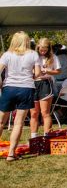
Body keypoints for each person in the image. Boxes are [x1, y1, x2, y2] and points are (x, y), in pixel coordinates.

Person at [0, 32, 41, 161]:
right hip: (26, 88)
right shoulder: (33, 54)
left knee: (1, 122)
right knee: (19, 122)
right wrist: (31, 77)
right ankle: (11, 154)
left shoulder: (7, 54)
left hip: (9, 88)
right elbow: (38, 73)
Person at [31, 37, 61, 137]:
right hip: (34, 83)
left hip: (46, 83)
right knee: (34, 113)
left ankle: (46, 136)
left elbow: (58, 71)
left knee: (45, 112)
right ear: (37, 47)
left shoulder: (53, 57)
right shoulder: (33, 56)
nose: (43, 51)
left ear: (49, 48)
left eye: (45, 49)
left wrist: (47, 71)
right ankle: (33, 137)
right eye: (41, 49)